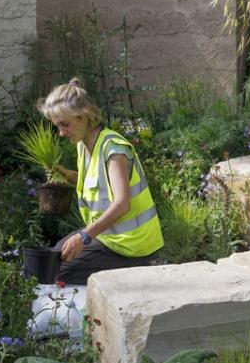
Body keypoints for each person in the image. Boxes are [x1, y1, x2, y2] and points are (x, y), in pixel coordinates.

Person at [36, 78, 163, 284]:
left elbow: (122, 203)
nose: (61, 132)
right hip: (107, 236)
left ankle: (129, 278)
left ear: (84, 116)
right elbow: (99, 182)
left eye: (65, 124)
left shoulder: (113, 149)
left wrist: (84, 237)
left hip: (131, 246)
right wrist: (67, 175)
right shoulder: (83, 144)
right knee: (51, 258)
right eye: (57, 126)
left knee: (57, 274)